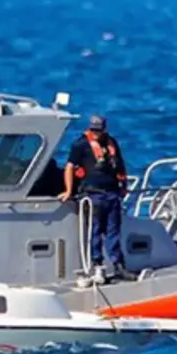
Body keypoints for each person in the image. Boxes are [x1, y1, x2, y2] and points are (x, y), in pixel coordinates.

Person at [59, 114, 129, 283]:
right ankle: (96, 264)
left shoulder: (112, 143)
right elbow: (69, 167)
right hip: (93, 194)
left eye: (99, 130)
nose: (96, 133)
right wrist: (68, 190)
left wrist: (123, 186)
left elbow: (120, 164)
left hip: (112, 193)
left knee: (113, 231)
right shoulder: (80, 145)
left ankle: (118, 265)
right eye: (94, 130)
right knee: (94, 231)